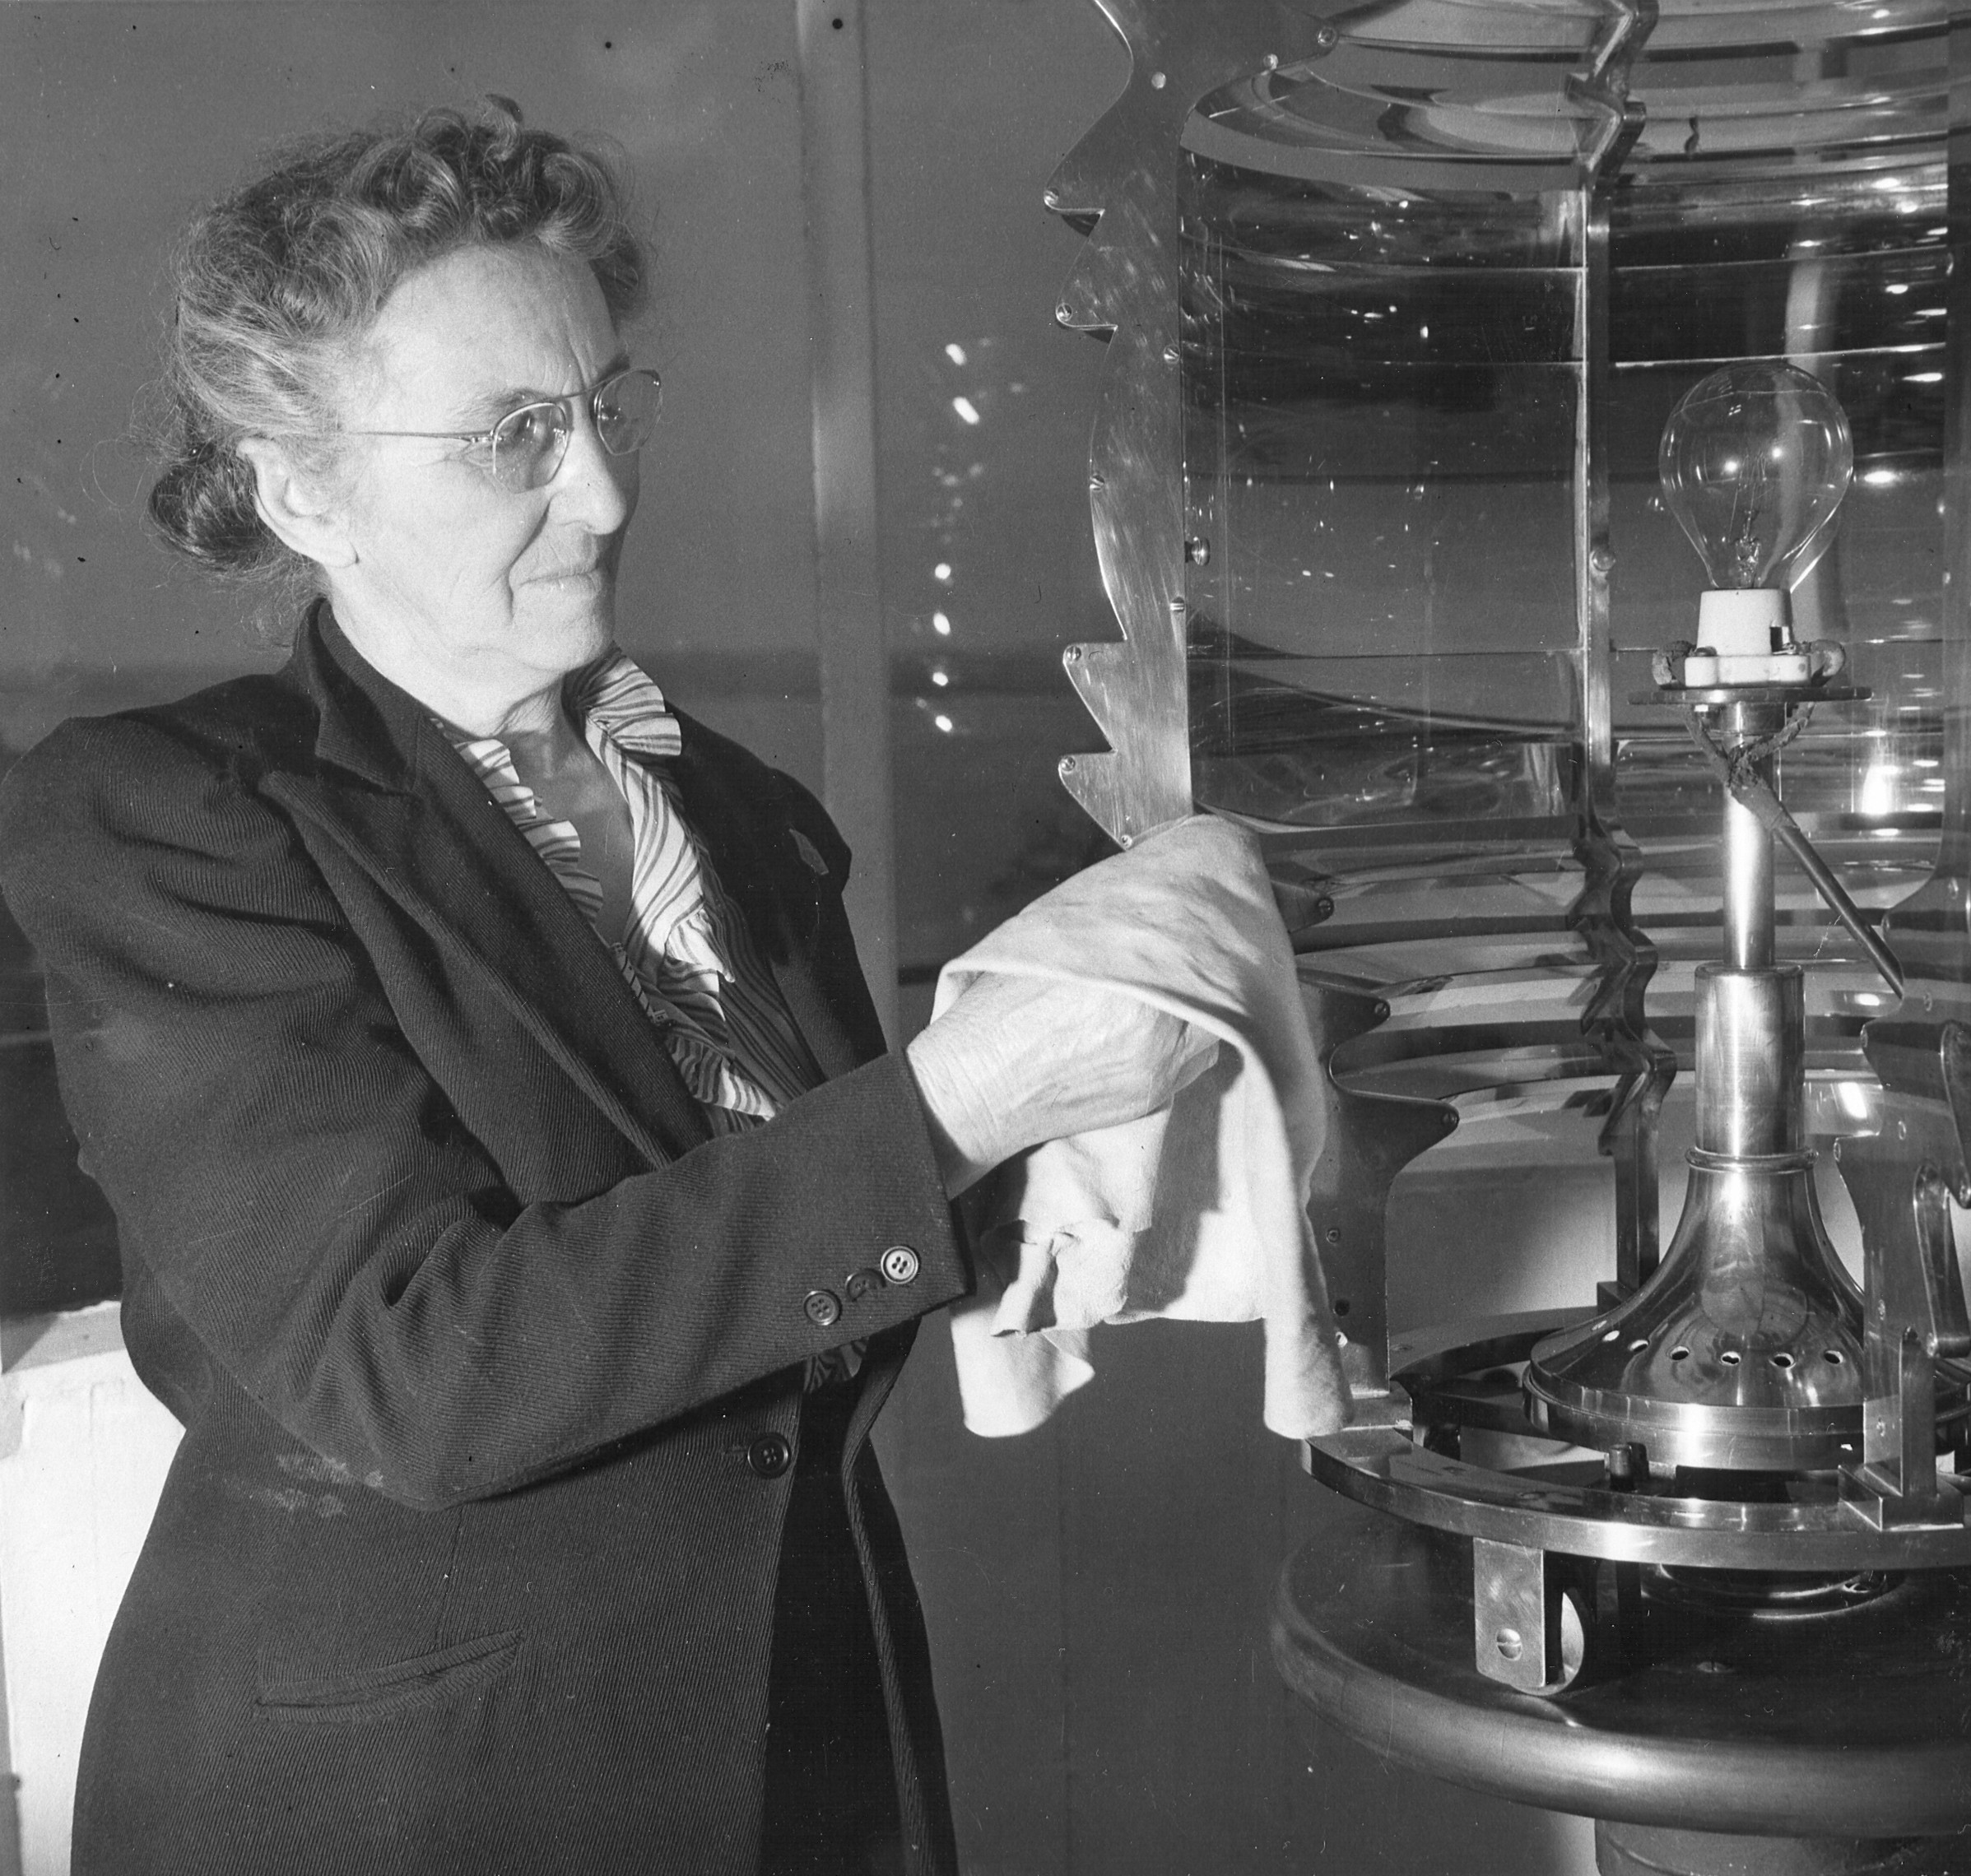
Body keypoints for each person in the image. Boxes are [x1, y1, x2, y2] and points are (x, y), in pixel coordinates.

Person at [0, 102, 1216, 1876]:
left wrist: (1145, 1078)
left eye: (599, 410)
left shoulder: (737, 815)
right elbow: (420, 1378)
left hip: (807, 1744)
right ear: (301, 486)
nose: (605, 494)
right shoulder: (176, 818)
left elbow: (788, 1259)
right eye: (510, 439)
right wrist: (965, 1103)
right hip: (412, 1798)